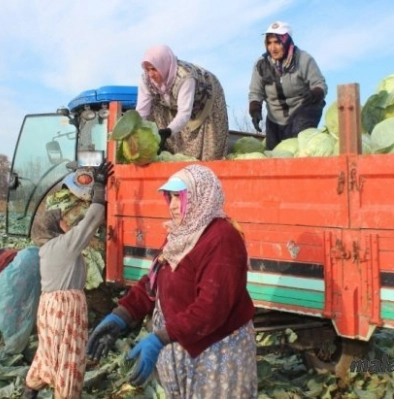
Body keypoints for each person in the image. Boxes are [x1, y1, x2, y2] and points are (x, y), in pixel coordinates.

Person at [86, 164, 258, 398]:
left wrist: (159, 339)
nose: (174, 205)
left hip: (216, 351)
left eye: (180, 197)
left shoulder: (221, 238)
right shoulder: (181, 234)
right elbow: (155, 280)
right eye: (171, 197)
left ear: (201, 197)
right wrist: (121, 315)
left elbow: (211, 309)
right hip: (182, 342)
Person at [22, 161, 113, 399]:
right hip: (66, 309)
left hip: (49, 308)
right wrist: (101, 187)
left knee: (49, 351)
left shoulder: (46, 248)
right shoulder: (64, 246)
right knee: (70, 358)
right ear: (54, 228)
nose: (66, 222)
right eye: (61, 220)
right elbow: (92, 220)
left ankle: (29, 390)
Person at [135, 45, 230, 161]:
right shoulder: (146, 80)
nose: (150, 74)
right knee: (155, 107)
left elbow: (184, 113)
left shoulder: (185, 77)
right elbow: (142, 111)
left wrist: (167, 132)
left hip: (206, 97)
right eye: (147, 69)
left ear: (164, 66)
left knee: (211, 153)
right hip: (174, 100)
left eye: (154, 69)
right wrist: (134, 133)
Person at [248, 21, 328, 150]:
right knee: (274, 154)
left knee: (297, 149)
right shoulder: (261, 64)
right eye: (269, 43)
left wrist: (313, 94)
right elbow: (255, 92)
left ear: (286, 41)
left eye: (277, 42)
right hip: (275, 116)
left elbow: (320, 85)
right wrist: (255, 109)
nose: (273, 48)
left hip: (302, 110)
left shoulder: (303, 59)